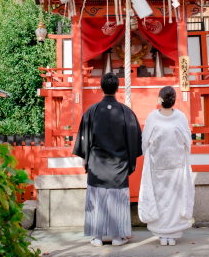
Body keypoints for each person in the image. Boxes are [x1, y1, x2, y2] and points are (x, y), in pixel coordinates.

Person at [73, 72, 142, 247]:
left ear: (101, 88)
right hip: (119, 165)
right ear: (117, 88)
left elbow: (84, 139)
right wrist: (130, 160)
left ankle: (97, 237)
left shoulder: (92, 111)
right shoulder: (126, 112)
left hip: (97, 164)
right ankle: (118, 237)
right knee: (118, 198)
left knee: (97, 197)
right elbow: (135, 139)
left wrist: (85, 158)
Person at [138, 86, 195, 246]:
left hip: (158, 165)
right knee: (175, 199)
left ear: (160, 99)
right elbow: (188, 141)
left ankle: (163, 234)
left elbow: (144, 142)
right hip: (176, 164)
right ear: (174, 100)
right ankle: (173, 234)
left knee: (159, 199)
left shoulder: (152, 117)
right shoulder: (181, 117)